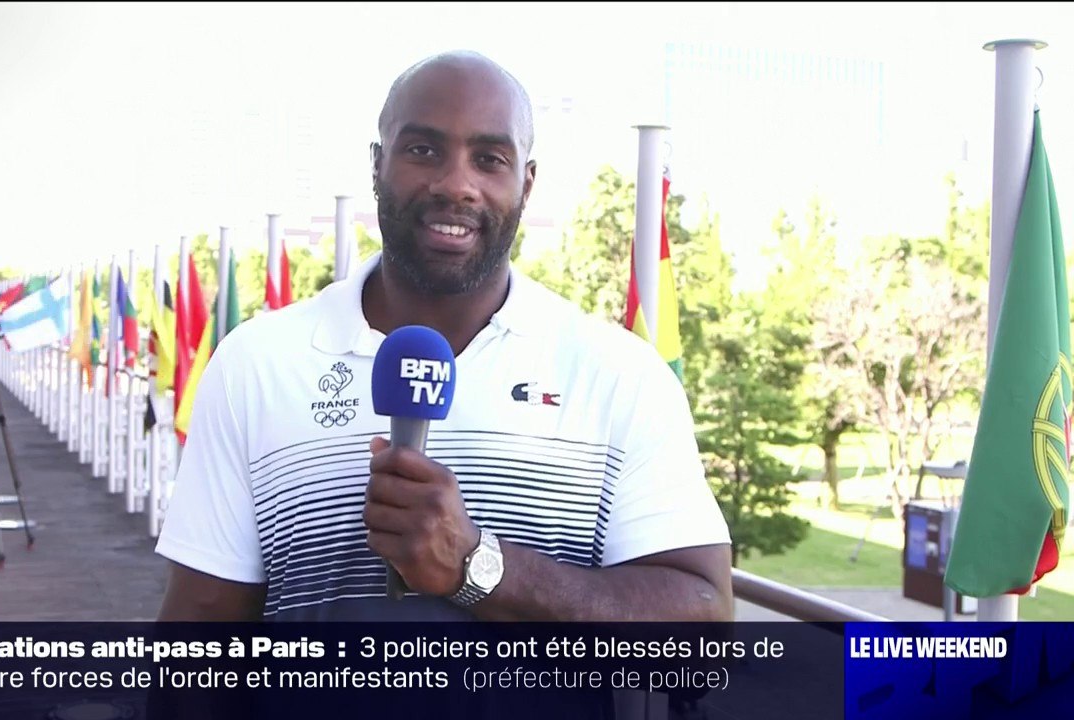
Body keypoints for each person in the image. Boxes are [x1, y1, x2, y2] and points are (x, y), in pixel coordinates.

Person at [154, 51, 733, 626]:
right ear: (377, 165)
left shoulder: (619, 374)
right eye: (423, 150)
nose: (457, 184)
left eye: (489, 158)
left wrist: (478, 568)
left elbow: (705, 625)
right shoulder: (254, 365)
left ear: (526, 184)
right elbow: (199, 637)